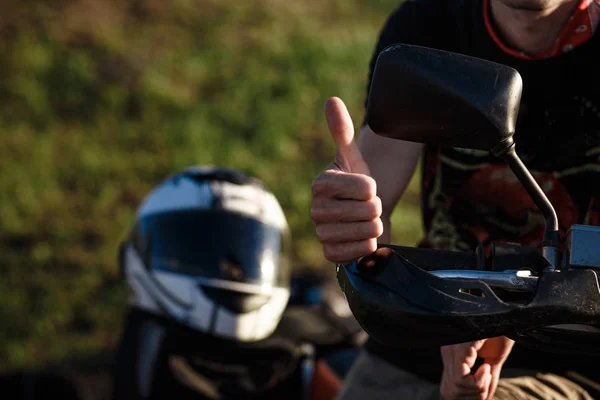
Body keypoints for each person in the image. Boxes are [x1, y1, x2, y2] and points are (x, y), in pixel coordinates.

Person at [310, 0, 600, 399]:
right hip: (432, 323)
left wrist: (521, 308)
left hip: (576, 353)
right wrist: (353, 220)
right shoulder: (429, 25)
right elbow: (375, 198)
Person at [111, 166, 364, 400]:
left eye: (244, 252)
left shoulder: (316, 326)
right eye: (202, 254)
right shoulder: (152, 357)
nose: (232, 272)